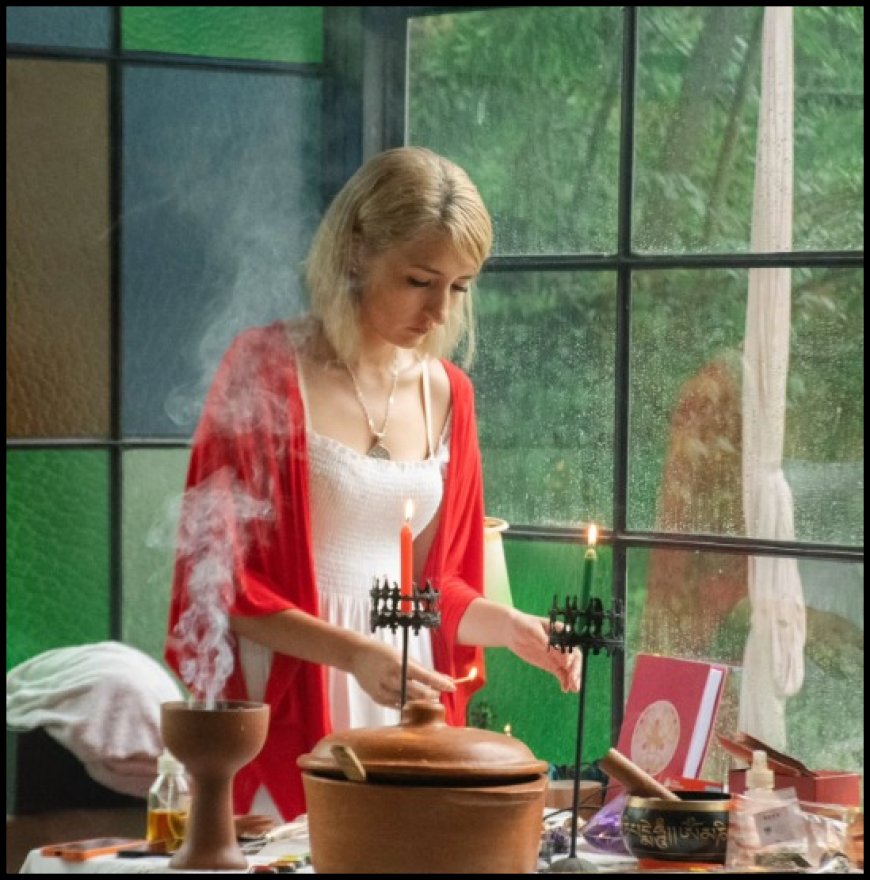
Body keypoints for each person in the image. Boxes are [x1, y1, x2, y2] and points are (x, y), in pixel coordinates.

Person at [165, 146, 582, 822]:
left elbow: (431, 589)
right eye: (420, 280)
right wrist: (353, 652)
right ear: (356, 251)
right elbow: (222, 587)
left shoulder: (450, 395)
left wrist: (508, 626)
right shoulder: (265, 369)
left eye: (460, 286)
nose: (440, 309)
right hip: (296, 681)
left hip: (399, 688)